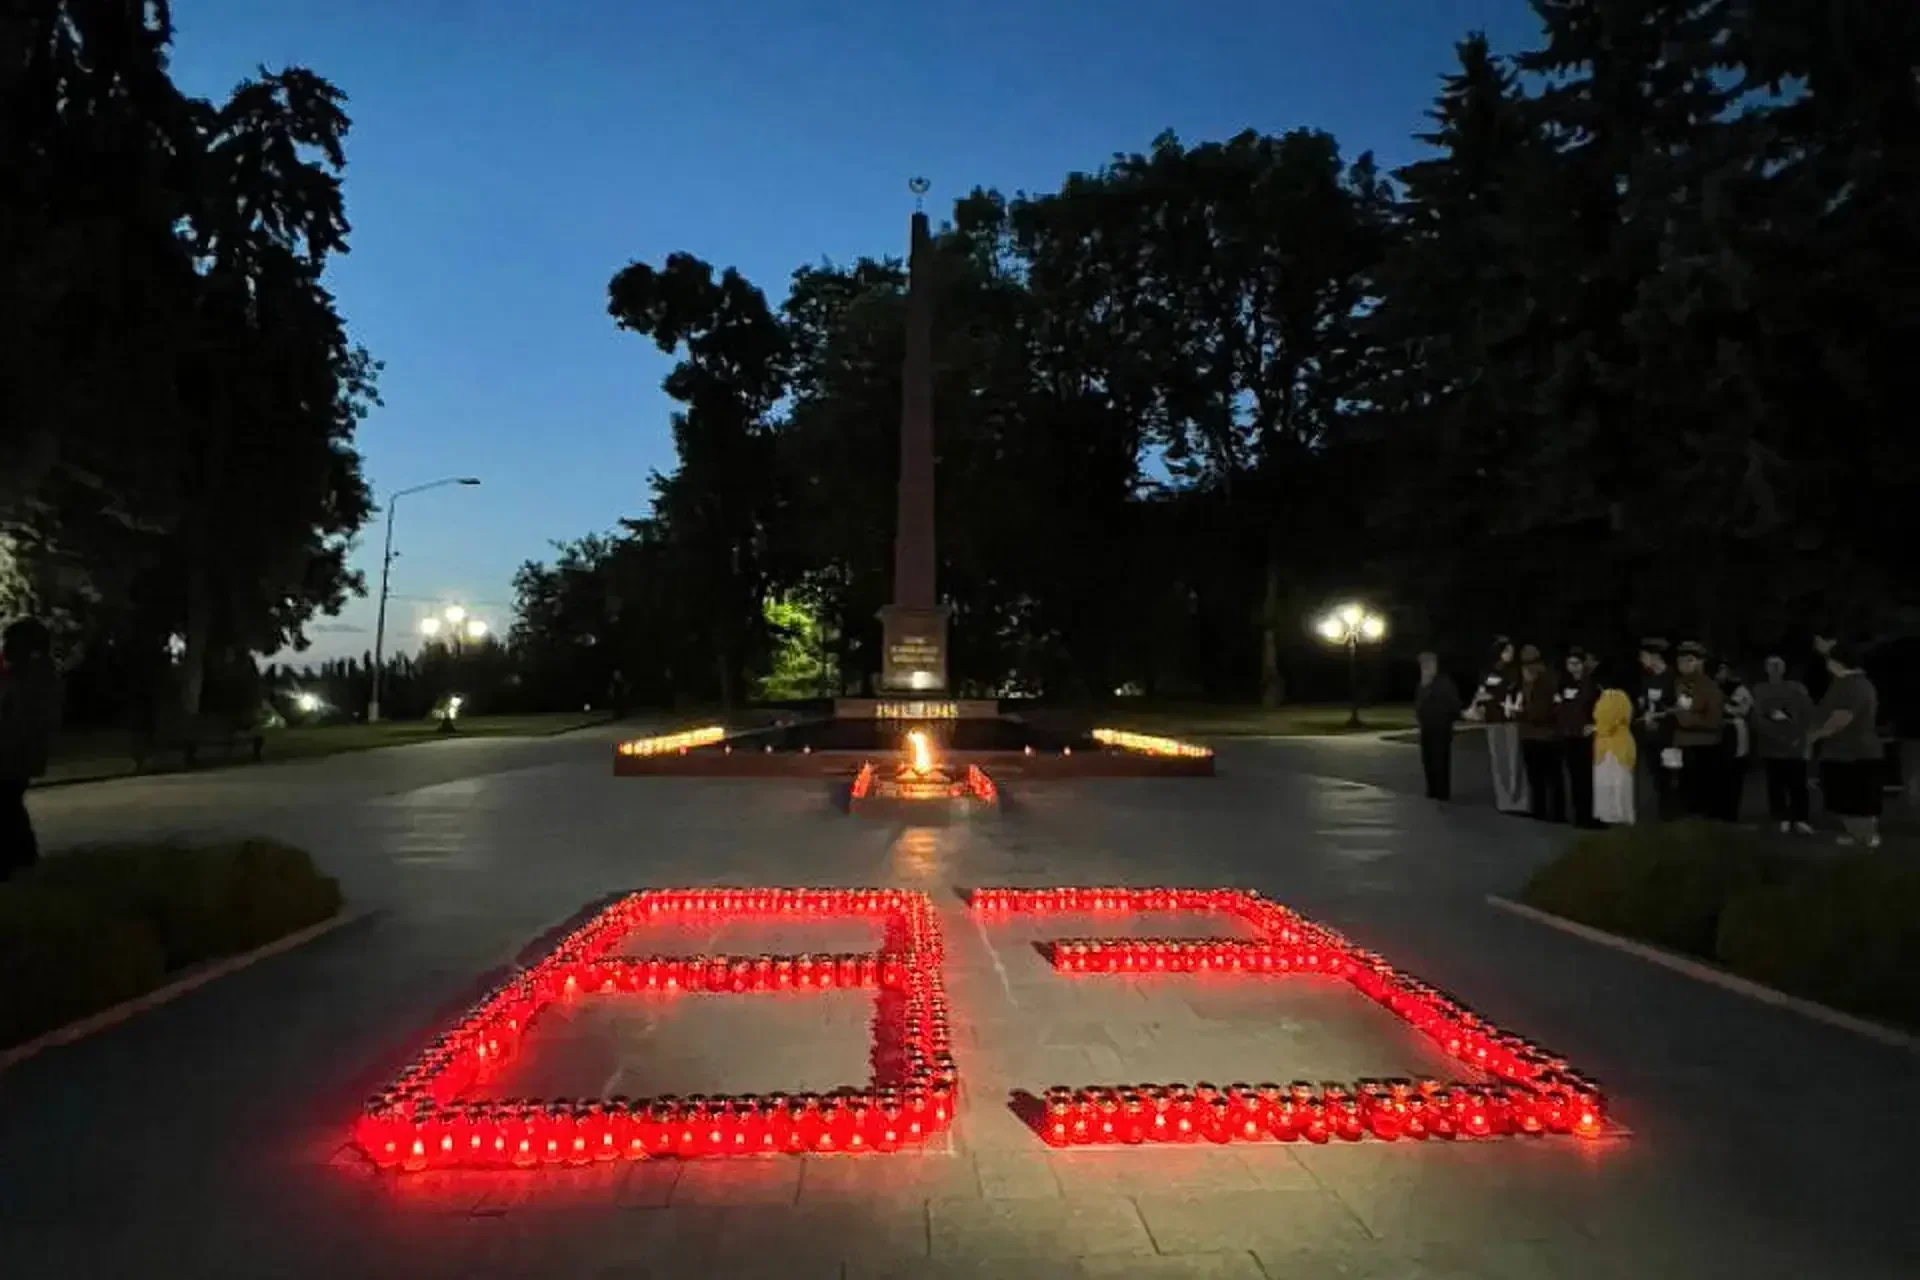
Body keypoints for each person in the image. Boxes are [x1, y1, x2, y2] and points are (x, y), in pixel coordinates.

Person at [0, 617, 62, 878]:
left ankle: (14, 861)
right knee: (9, 804)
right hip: (17, 752)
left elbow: (19, 720)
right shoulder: (31, 674)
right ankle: (23, 858)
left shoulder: (32, 677)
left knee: (6, 803)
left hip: (14, 753)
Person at [1808, 643, 1883, 848]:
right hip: (1848, 751)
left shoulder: (1853, 685)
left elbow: (1841, 718)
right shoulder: (1848, 683)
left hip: (1851, 752)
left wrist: (1813, 736)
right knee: (1851, 799)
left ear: (1837, 662)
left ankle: (1866, 838)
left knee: (1853, 799)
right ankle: (1860, 836)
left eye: (1829, 660)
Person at [1749, 653, 1814, 834]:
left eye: (1778, 664)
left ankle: (1800, 818)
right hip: (1772, 746)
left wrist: (1798, 737)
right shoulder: (1759, 690)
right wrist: (1777, 736)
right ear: (1766, 669)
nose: (1775, 668)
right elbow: (1757, 719)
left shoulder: (1797, 688)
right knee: (1776, 784)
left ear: (1784, 668)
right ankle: (1781, 817)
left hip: (1795, 745)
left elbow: (1808, 715)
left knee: (1798, 784)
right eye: (1771, 665)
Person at [1470, 636, 1530, 815]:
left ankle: (1518, 800)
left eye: (1511, 651)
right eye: (1507, 651)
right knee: (1499, 760)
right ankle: (1504, 800)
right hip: (1494, 720)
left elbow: (1513, 693)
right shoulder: (1487, 672)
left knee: (1514, 760)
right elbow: (1482, 692)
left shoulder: (1515, 672)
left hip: (1510, 720)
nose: (1510, 654)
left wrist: (1495, 697)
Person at [1671, 641, 1726, 818]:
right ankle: (1687, 808)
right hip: (1683, 741)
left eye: (1689, 660)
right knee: (1684, 779)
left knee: (1703, 780)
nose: (1684, 665)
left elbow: (1715, 719)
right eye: (1681, 660)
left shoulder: (1710, 687)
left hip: (1705, 742)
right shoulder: (1678, 683)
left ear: (1699, 662)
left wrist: (1689, 720)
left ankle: (1704, 810)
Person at [1516, 645, 1565, 822]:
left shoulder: (1546, 680)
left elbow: (1544, 710)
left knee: (1550, 776)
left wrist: (1522, 712)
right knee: (1537, 776)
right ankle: (1541, 809)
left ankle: (1556, 812)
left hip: (1546, 735)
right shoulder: (1527, 681)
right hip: (1531, 734)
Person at [1635, 638, 1680, 820]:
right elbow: (1644, 703)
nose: (1641, 660)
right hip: (1651, 735)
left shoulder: (1673, 678)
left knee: (1671, 774)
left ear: (1655, 657)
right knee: (1656, 775)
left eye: (1643, 657)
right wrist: (1644, 710)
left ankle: (1673, 813)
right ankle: (1663, 813)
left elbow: (1680, 708)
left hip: (1670, 736)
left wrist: (1661, 716)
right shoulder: (1647, 679)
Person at [1555, 648, 1600, 827]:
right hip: (1568, 735)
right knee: (1574, 777)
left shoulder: (1591, 685)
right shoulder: (1564, 684)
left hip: (1585, 737)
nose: (1572, 668)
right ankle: (1579, 815)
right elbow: (1559, 706)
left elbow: (1598, 707)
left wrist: (1594, 725)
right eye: (1569, 664)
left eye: (1576, 664)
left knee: (1587, 777)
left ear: (1583, 665)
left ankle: (1590, 815)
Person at [1413, 651, 1463, 801]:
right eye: (1423, 664)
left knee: (1440, 761)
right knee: (1428, 760)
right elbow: (1419, 704)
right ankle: (1432, 790)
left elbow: (1454, 705)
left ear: (1435, 664)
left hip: (1441, 729)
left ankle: (1441, 792)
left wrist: (1448, 717)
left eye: (1428, 663)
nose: (1425, 667)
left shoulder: (1444, 683)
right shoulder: (1422, 684)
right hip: (1427, 728)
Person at [1714, 659, 1754, 821]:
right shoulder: (1712, 686)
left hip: (1735, 732)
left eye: (1724, 670)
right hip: (1716, 733)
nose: (1721, 674)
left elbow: (1740, 709)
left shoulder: (1740, 689)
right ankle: (1718, 810)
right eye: (1718, 671)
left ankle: (1731, 812)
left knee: (1734, 773)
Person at [1592, 687, 1637, 825]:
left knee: (1608, 782)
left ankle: (1610, 814)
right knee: (1622, 782)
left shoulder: (1610, 697)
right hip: (1623, 744)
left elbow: (1607, 723)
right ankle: (1623, 813)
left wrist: (1595, 728)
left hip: (1610, 747)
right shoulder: (1624, 698)